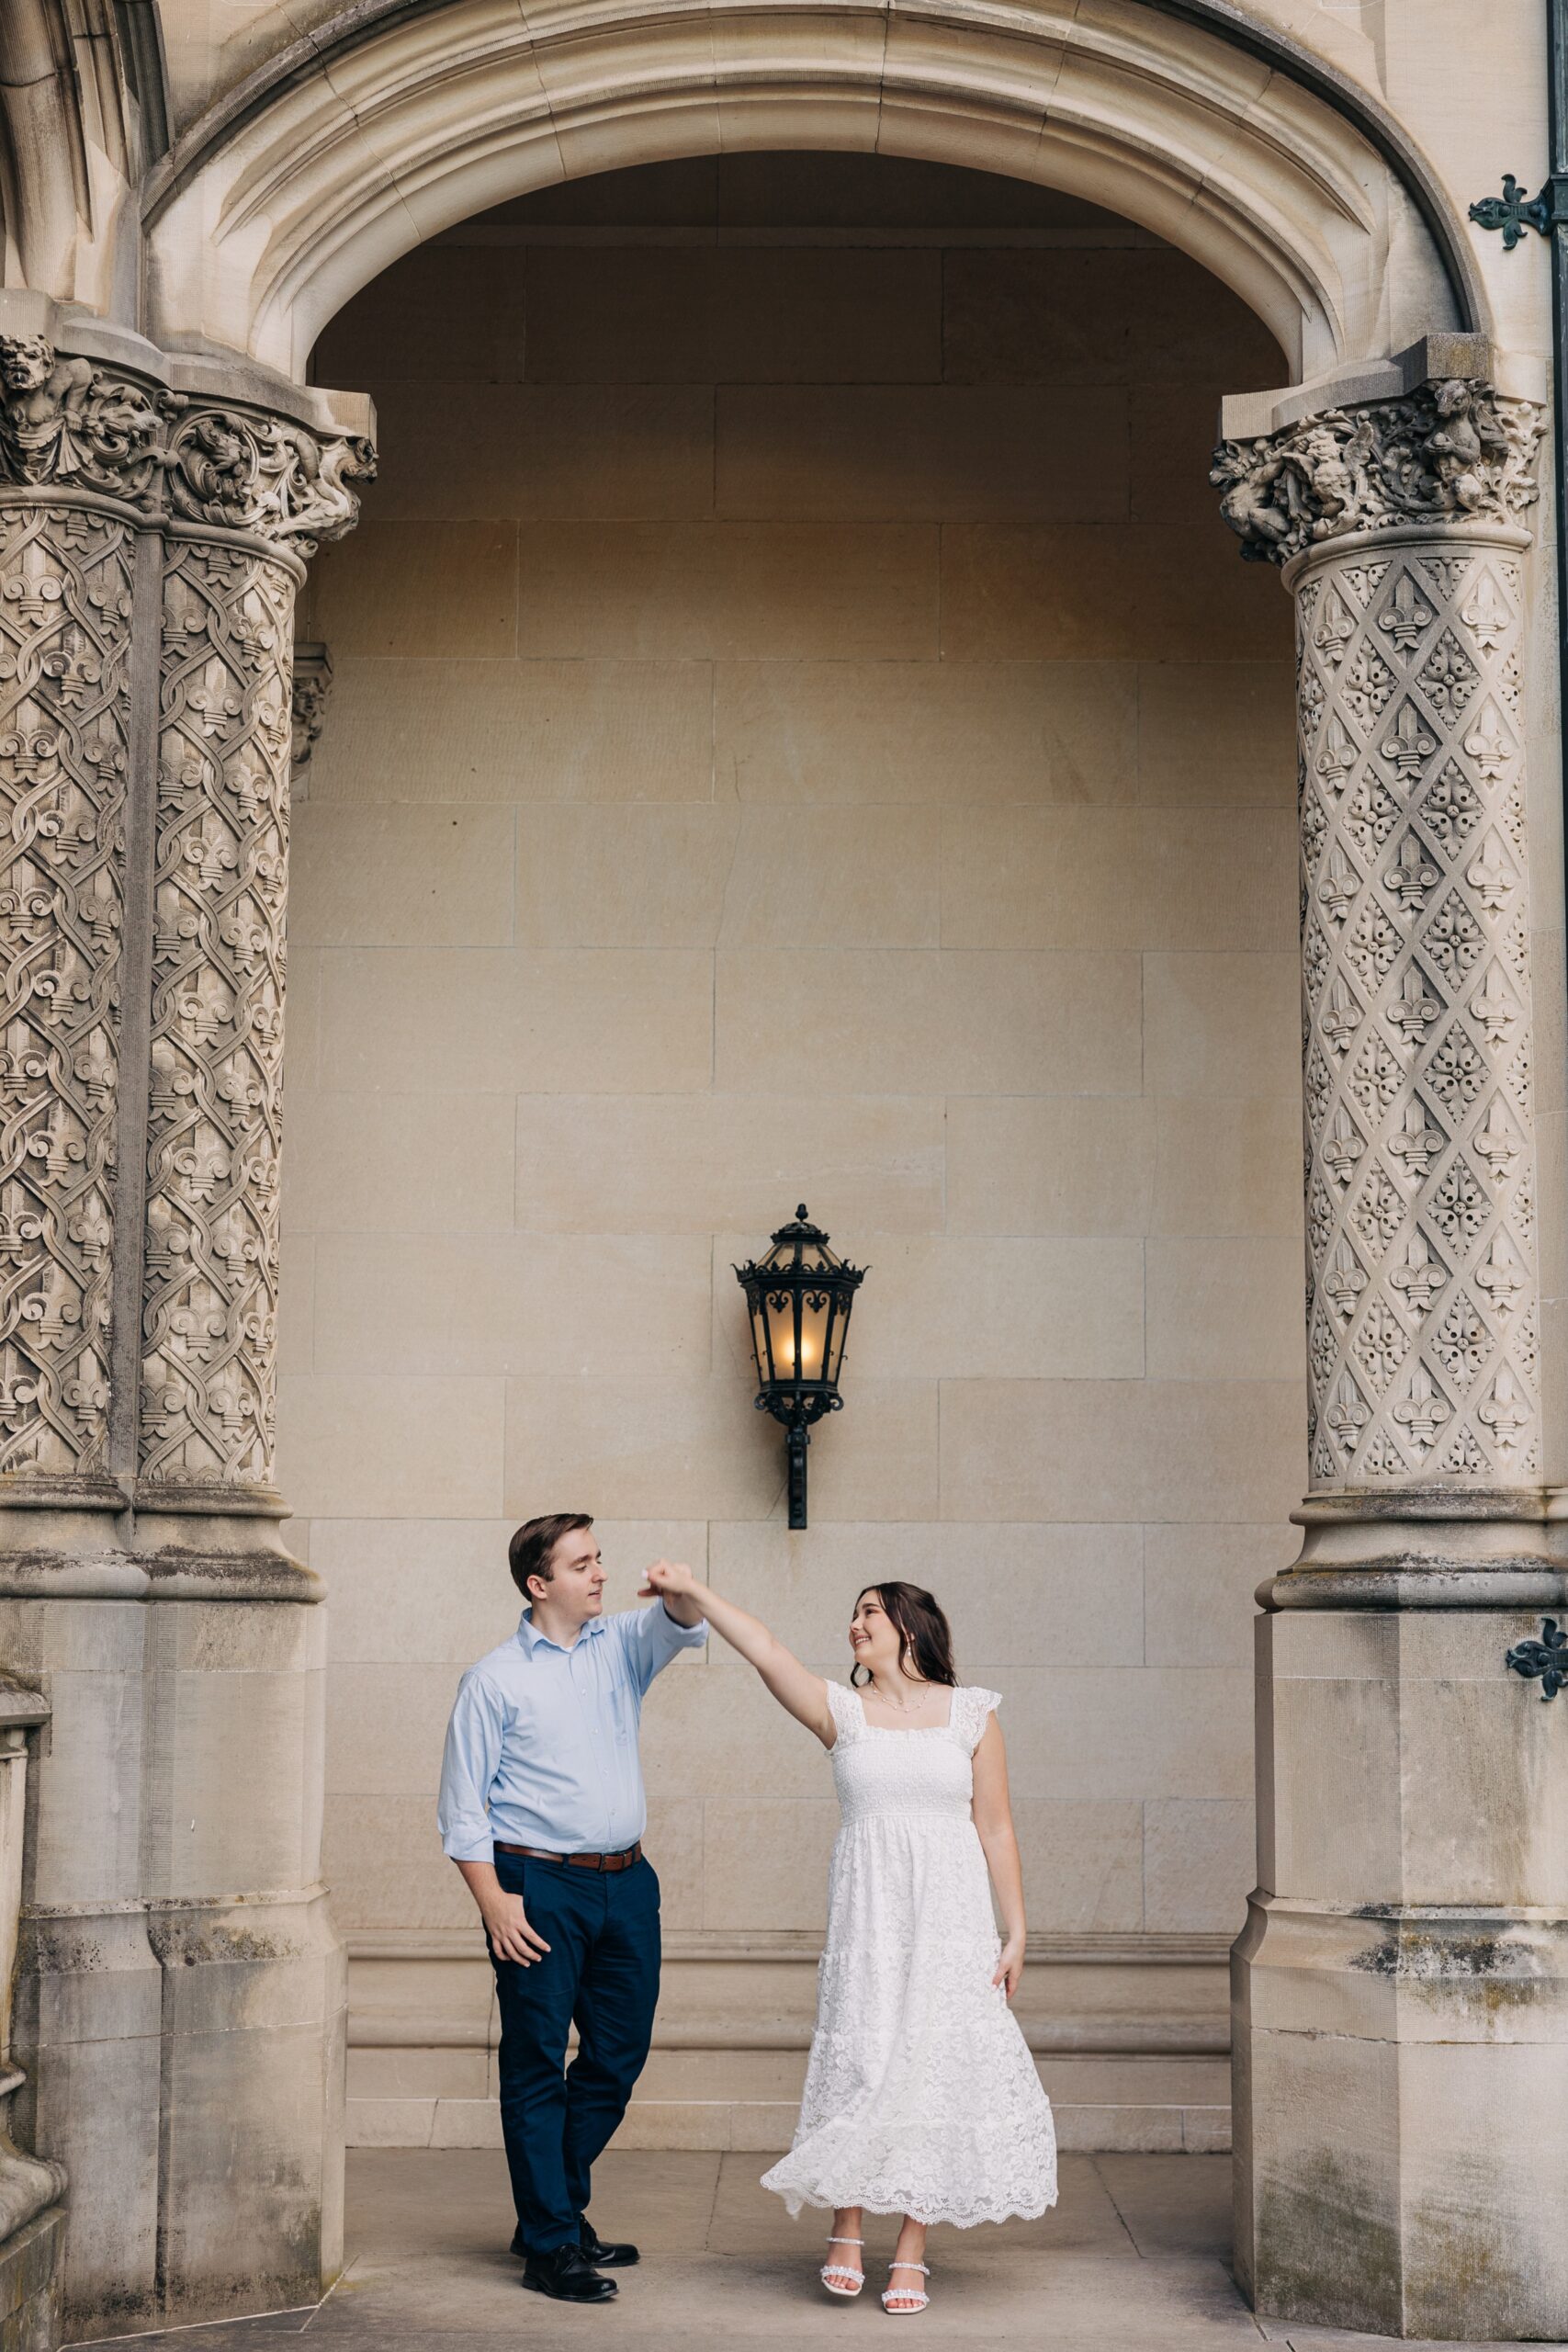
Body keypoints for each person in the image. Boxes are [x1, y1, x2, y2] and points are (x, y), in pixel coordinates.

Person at [638, 1562, 1056, 2317]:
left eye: (870, 1612)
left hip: (951, 1918)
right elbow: (765, 1649)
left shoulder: (971, 1714)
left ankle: (910, 2249)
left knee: (934, 2066)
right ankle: (845, 2227)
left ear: (910, 1626)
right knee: (864, 2058)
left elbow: (994, 1827)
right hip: (869, 1919)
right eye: (853, 1614)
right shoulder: (842, 1711)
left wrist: (1016, 1930)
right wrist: (696, 1594)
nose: (854, 1625)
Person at [437, 1514, 706, 2304]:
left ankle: (549, 2207)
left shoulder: (621, 1643)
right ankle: (553, 2239)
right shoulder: (492, 1681)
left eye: (600, 1560)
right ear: (538, 1583)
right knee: (534, 2062)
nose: (598, 1573)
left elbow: (683, 1623)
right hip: (536, 1884)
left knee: (617, 2056)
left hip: (628, 1883)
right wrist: (494, 1904)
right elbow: (463, 1812)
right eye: (582, 1563)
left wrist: (681, 1590)